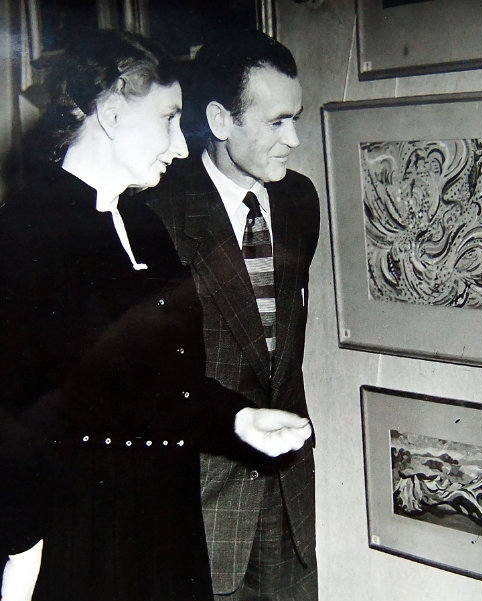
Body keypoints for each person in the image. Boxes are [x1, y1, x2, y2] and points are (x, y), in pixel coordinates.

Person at [0, 30, 312, 601]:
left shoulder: (145, 227)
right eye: (169, 119)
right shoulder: (22, 232)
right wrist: (20, 549)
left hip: (163, 521)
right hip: (73, 538)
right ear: (113, 114)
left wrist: (237, 421)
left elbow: (167, 387)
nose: (180, 145)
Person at [146, 30, 320, 600]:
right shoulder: (156, 213)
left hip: (288, 493)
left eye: (294, 118)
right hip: (199, 498)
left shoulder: (299, 201)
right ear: (220, 120)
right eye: (275, 122)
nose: (293, 139)